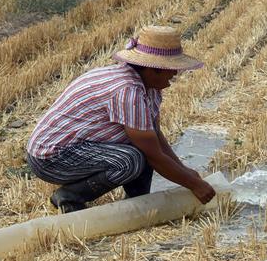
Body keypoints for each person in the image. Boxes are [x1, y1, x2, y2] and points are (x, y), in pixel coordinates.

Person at [26, 25, 216, 213]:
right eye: (172, 69)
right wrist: (193, 184)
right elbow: (154, 155)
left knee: (141, 148)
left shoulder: (149, 88)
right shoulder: (127, 90)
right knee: (131, 159)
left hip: (79, 148)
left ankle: (138, 203)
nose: (176, 73)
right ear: (153, 69)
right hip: (52, 158)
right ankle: (70, 196)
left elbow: (155, 137)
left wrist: (184, 171)